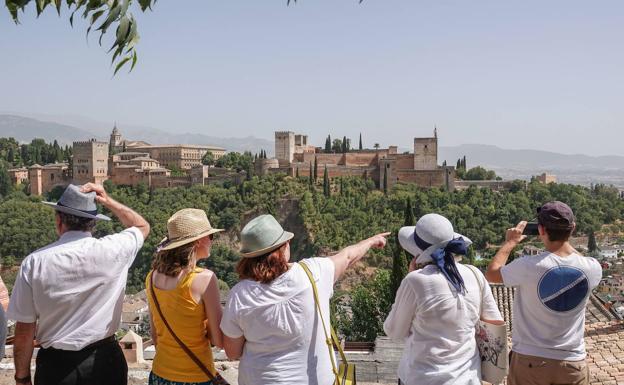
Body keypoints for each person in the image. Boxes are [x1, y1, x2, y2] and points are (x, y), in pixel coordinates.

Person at [220, 214, 389, 385]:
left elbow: (232, 352)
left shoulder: (239, 295)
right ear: (284, 247)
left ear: (249, 257)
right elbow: (347, 256)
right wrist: (371, 241)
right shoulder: (313, 272)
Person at [7, 183, 150, 385]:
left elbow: (24, 332)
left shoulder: (34, 262)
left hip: (56, 367)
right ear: (93, 223)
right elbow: (142, 226)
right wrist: (107, 201)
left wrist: (22, 378)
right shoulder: (114, 249)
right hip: (105, 362)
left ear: (58, 220)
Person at [485, 201, 602, 385]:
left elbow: (492, 273)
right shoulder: (592, 268)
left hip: (529, 359)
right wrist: (566, 241)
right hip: (572, 363)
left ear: (541, 230)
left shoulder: (528, 266)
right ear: (572, 229)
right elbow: (576, 259)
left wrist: (510, 242)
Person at [384, 213, 504, 385]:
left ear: (418, 253)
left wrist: (410, 279)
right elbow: (495, 322)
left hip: (423, 378)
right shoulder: (474, 274)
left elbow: (394, 331)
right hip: (468, 378)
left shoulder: (415, 281)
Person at [146, 208, 225, 385]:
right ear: (198, 241)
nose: (212, 241)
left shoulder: (151, 278)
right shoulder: (204, 279)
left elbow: (155, 335)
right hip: (195, 377)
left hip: (160, 375)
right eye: (210, 237)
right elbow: (218, 340)